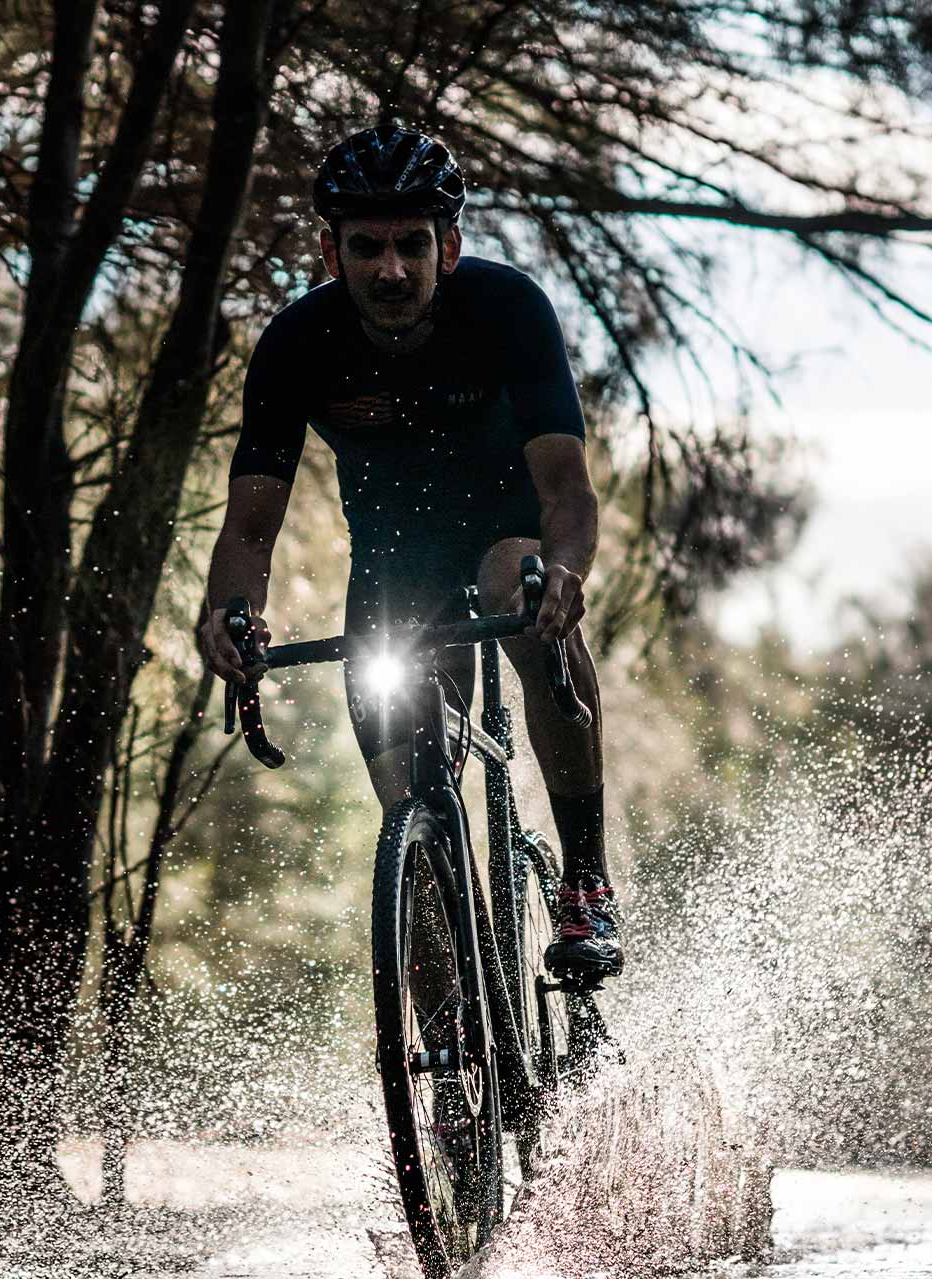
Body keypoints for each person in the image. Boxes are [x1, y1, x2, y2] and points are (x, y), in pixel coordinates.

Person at [199, 124, 622, 978]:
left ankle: (586, 880)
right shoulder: (296, 344)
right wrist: (230, 616)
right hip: (396, 565)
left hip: (509, 536)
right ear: (331, 252)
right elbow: (249, 528)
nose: (391, 270)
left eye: (411, 246)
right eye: (367, 247)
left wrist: (565, 573)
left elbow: (567, 490)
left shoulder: (507, 309)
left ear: (448, 246)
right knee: (407, 814)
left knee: (518, 585)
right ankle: (451, 1038)